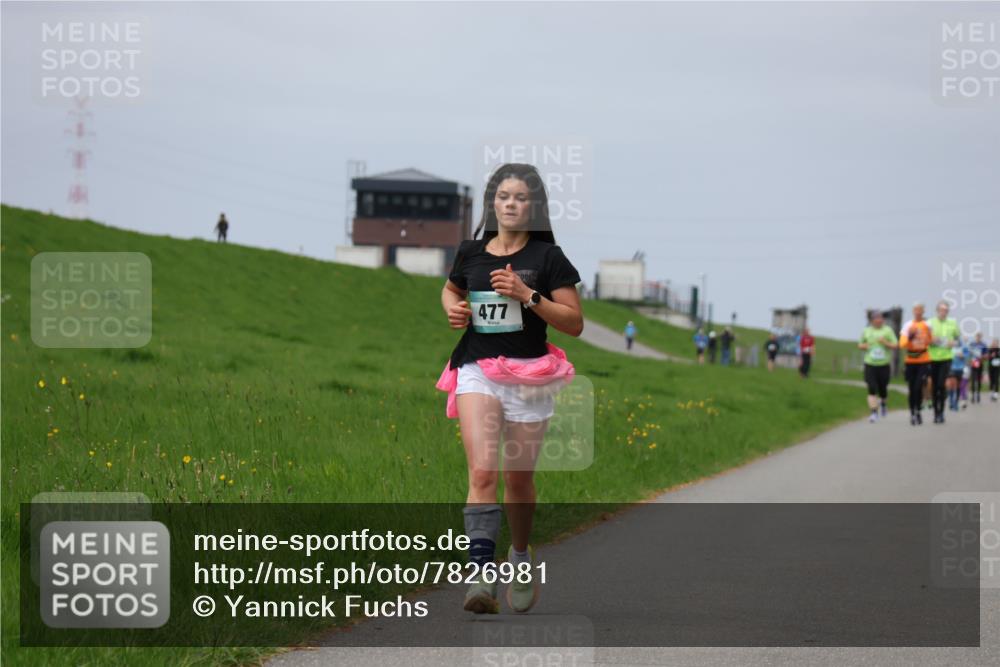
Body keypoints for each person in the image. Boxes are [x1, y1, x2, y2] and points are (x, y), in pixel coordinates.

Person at [438, 163, 583, 615]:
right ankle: (480, 578)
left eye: (520, 198)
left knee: (518, 481)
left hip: (531, 376)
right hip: (477, 367)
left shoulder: (549, 259)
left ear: (533, 206)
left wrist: (528, 295)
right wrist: (455, 310)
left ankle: (519, 556)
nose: (511, 204)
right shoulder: (471, 252)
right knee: (482, 473)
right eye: (503, 197)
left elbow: (575, 324)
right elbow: (449, 291)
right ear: (492, 203)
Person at [858, 311, 898, 422]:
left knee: (883, 388)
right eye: (876, 318)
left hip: (883, 365)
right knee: (871, 387)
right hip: (870, 364)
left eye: (880, 318)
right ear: (872, 320)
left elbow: (895, 345)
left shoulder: (887, 330)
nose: (879, 320)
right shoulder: (867, 331)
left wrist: (885, 342)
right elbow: (860, 344)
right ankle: (874, 412)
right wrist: (864, 346)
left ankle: (884, 404)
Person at [899, 303, 933, 426]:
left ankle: (918, 410)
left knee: (919, 387)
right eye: (916, 310)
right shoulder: (908, 325)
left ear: (923, 311)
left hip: (923, 360)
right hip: (910, 361)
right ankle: (912, 412)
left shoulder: (927, 325)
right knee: (912, 388)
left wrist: (929, 335)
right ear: (913, 311)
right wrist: (911, 336)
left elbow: (930, 341)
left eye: (920, 310)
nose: (918, 312)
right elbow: (902, 344)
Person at [927, 300, 960, 423]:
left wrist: (954, 343)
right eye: (941, 310)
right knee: (935, 386)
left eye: (946, 310)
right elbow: (925, 339)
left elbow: (958, 339)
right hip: (933, 358)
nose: (943, 312)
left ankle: (941, 412)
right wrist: (931, 340)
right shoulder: (930, 323)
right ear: (937, 311)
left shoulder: (952, 323)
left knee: (941, 384)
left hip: (946, 357)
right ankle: (936, 412)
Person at [947, 340, 968, 412]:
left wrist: (962, 355)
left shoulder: (963, 347)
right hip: (952, 368)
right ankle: (951, 401)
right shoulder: (950, 347)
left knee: (959, 386)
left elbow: (967, 355)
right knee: (951, 385)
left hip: (960, 368)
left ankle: (956, 402)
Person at [969, 332, 987, 404]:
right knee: (973, 379)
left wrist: (983, 357)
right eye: (977, 336)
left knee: (979, 379)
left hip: (980, 363)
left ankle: (978, 394)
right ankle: (973, 395)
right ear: (975, 337)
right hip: (973, 363)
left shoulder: (983, 345)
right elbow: (968, 354)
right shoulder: (972, 344)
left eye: (979, 337)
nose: (978, 338)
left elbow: (986, 355)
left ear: (981, 337)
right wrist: (970, 360)